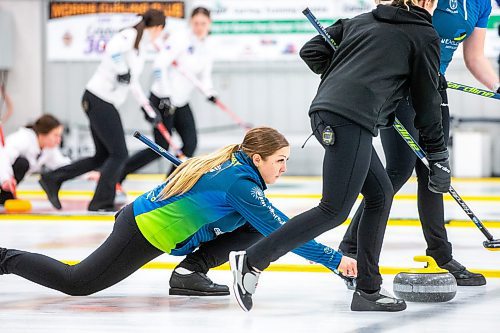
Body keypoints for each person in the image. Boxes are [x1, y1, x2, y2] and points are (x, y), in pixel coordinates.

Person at [230, 0, 449, 312]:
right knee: (334, 209)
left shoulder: (360, 21)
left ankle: (368, 289)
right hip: (349, 119)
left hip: (329, 112)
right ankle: (252, 260)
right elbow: (427, 103)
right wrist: (438, 154)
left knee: (380, 194)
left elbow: (313, 51)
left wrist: (348, 74)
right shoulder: (424, 35)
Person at [0, 127, 356, 298]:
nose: (284, 169)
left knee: (257, 225)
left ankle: (189, 273)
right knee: (77, 283)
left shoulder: (236, 170)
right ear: (257, 159)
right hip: (141, 231)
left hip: (166, 233)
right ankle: (4, 258)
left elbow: (270, 225)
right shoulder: (239, 184)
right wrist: (334, 259)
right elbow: (284, 230)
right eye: (280, 162)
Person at [338, 0, 499, 287]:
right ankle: (350, 252)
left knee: (435, 174)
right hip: (399, 88)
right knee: (398, 170)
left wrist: (498, 88)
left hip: (434, 90)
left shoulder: (480, 4)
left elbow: (474, 57)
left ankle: (440, 255)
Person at [39, 9, 166, 212]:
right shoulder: (130, 35)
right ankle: (100, 201)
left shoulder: (140, 48)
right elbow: (112, 48)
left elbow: (133, 83)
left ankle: (52, 178)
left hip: (100, 100)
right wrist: (121, 69)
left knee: (102, 156)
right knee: (119, 154)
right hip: (98, 99)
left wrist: (148, 109)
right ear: (158, 28)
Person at [117, 6, 217, 191]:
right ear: (190, 23)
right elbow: (159, 65)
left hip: (180, 101)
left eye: (203, 23)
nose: (199, 27)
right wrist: (166, 94)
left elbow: (205, 75)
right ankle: (118, 174)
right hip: (162, 99)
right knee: (160, 147)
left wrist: (209, 91)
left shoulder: (207, 46)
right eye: (196, 23)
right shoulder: (180, 38)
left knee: (190, 143)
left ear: (209, 24)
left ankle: (170, 186)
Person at [0, 114, 70, 204]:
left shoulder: (48, 149)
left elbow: (63, 165)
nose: (59, 140)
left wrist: (86, 172)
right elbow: (3, 157)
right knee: (22, 163)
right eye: (55, 135)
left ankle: (4, 197)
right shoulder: (22, 139)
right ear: (43, 134)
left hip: (6, 181)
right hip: (2, 172)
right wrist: (5, 178)